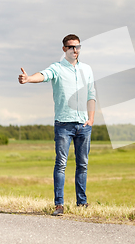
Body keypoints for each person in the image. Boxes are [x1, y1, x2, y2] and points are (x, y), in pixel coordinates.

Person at [18, 34, 96, 216]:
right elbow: (43, 75)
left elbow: (91, 95)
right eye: (70, 47)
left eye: (77, 47)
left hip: (84, 125)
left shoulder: (87, 69)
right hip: (64, 125)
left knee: (82, 164)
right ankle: (59, 205)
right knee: (61, 164)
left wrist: (91, 119)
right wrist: (29, 78)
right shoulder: (57, 68)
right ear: (64, 49)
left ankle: (81, 202)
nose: (74, 50)